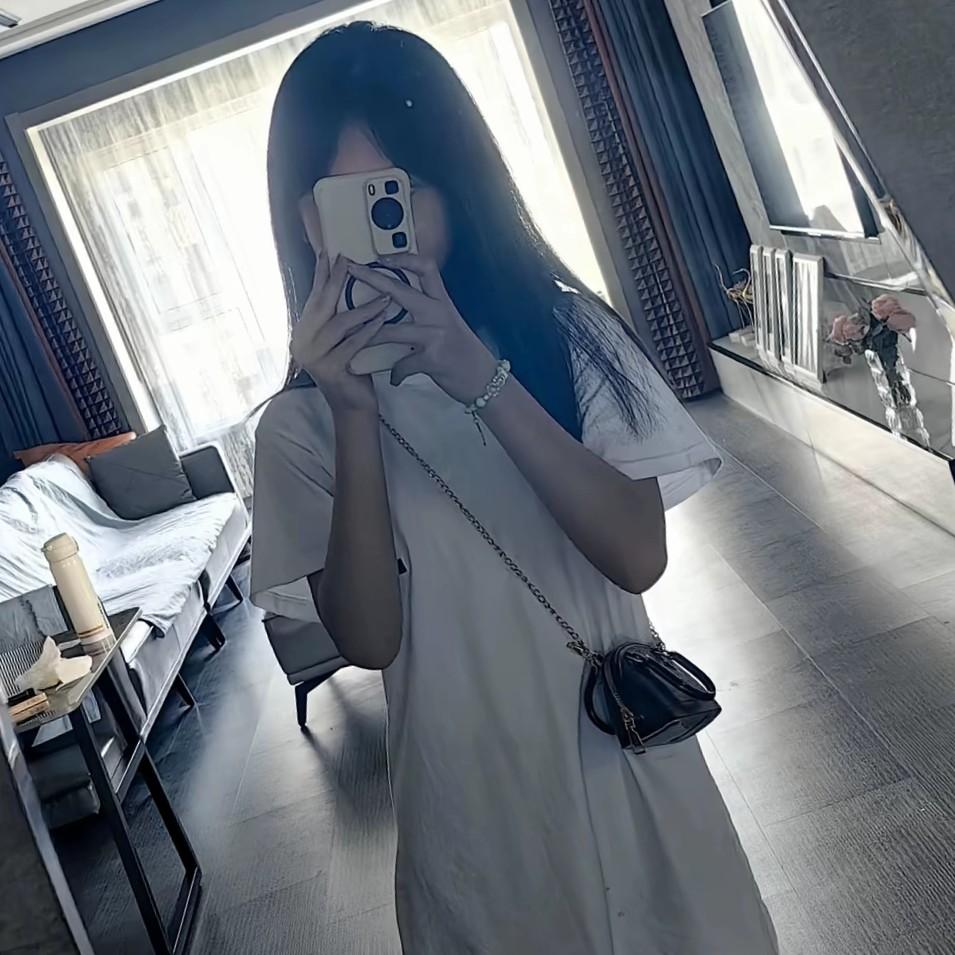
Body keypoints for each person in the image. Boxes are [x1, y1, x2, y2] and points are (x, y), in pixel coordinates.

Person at [251, 21, 778, 955]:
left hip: (631, 768)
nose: (383, 226)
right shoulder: (298, 427)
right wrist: (352, 413)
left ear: (461, 183)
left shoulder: (568, 338)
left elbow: (637, 556)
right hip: (474, 818)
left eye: (403, 190)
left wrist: (473, 372)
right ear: (302, 220)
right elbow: (368, 641)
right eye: (345, 199)